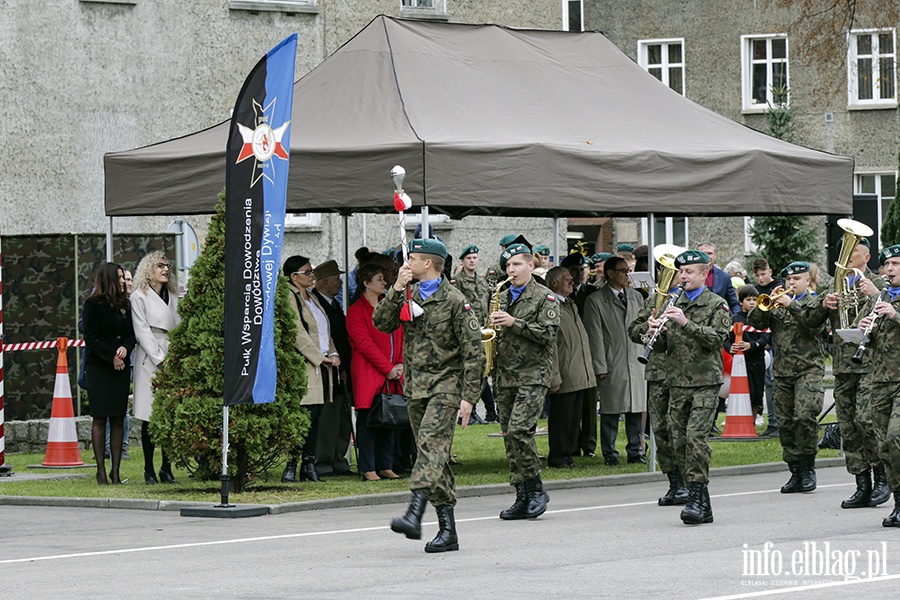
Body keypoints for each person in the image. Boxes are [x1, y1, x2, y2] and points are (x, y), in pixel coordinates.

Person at [374, 238, 485, 553]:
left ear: (430, 263)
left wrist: (469, 397)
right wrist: (396, 288)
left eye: (413, 259)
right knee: (434, 457)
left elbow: (474, 354)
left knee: (430, 448)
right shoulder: (407, 292)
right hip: (416, 387)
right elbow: (381, 323)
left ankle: (415, 512)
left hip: (446, 386)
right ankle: (448, 531)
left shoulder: (454, 301)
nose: (407, 263)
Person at [643, 249, 731, 524]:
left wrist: (686, 322)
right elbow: (666, 347)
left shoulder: (716, 304)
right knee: (678, 441)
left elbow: (717, 339)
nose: (682, 277)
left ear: (704, 274)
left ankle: (696, 497)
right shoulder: (673, 301)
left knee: (695, 438)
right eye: (680, 272)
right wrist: (653, 331)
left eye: (688, 272)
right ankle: (700, 501)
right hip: (676, 382)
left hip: (705, 382)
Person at [490, 242, 559, 520]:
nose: (511, 270)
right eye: (507, 266)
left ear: (531, 266)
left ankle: (536, 488)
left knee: (520, 431)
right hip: (505, 375)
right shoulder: (501, 295)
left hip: (532, 374)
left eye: (516, 265)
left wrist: (513, 322)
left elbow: (548, 335)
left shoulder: (545, 297)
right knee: (510, 437)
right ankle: (522, 494)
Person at [748, 261, 829, 495]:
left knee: (804, 417)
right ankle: (795, 471)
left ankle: (808, 468)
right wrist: (766, 302)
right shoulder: (778, 302)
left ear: (808, 281)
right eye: (789, 280)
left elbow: (813, 325)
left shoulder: (815, 302)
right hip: (782, 371)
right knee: (785, 423)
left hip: (808, 369)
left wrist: (792, 305)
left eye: (797, 279)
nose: (791, 283)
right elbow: (756, 322)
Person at [819, 237, 887, 509]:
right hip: (844, 366)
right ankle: (862, 484)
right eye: (843, 253)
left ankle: (882, 477)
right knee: (848, 426)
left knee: (867, 420)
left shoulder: (881, 285)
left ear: (867, 257)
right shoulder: (834, 285)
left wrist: (873, 294)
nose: (846, 258)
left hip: (871, 364)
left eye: (853, 252)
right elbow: (811, 321)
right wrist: (823, 305)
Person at [628, 271, 688, 506]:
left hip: (685, 374)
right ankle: (674, 483)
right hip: (658, 373)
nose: (677, 275)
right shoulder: (654, 299)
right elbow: (633, 330)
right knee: (661, 430)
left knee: (680, 430)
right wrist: (649, 329)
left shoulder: (696, 300)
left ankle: (689, 482)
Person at [583, 256, 647, 465]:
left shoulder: (636, 297)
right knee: (611, 410)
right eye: (623, 271)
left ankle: (635, 451)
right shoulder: (595, 300)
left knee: (636, 409)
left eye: (628, 270)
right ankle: (610, 453)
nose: (627, 275)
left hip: (636, 361)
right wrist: (600, 365)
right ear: (610, 273)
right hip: (613, 361)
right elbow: (595, 336)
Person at [283, 255, 340, 484]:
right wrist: (320, 358)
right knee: (303, 415)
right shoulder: (289, 296)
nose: (311, 275)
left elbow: (324, 329)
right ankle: (291, 464)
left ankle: (309, 463)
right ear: (293, 276)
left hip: (321, 364)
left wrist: (333, 353)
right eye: (307, 272)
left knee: (315, 415)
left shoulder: (312, 298)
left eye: (311, 271)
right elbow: (297, 333)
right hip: (305, 364)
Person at [855, 244, 900, 527]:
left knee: (896, 439)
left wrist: (895, 315)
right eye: (888, 265)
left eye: (896, 264)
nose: (891, 270)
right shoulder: (882, 297)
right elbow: (876, 342)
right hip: (881, 380)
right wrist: (865, 330)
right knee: (884, 445)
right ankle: (899, 503)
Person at [346, 262, 404, 481]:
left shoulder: (387, 306)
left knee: (391, 419)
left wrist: (399, 364)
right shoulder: (356, 311)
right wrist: (387, 368)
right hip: (369, 372)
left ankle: (386, 464)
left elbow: (400, 335)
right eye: (379, 279)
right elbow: (364, 344)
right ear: (366, 283)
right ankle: (368, 466)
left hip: (393, 371)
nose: (385, 282)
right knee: (369, 420)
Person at [82, 263, 135, 485]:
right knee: (99, 418)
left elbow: (132, 334)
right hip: (99, 368)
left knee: (117, 417)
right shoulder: (93, 304)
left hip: (120, 369)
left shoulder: (125, 305)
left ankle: (115, 471)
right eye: (120, 277)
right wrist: (111, 355)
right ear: (109, 279)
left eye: (124, 277)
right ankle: (101, 471)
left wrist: (125, 348)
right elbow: (91, 338)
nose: (124, 281)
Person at [131, 252, 180, 484]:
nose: (165, 269)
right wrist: (160, 359)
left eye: (167, 265)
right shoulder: (138, 296)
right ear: (149, 269)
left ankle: (167, 467)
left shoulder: (172, 294)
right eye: (160, 265)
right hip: (150, 358)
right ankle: (149, 469)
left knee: (171, 414)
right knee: (149, 416)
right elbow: (141, 331)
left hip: (172, 351)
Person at [546, 267, 596, 468]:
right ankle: (558, 456)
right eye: (566, 280)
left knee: (573, 418)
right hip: (565, 371)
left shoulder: (570, 305)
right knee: (561, 418)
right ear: (554, 283)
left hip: (577, 369)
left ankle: (567, 454)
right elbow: (551, 344)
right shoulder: (551, 305)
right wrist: (554, 375)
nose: (571, 282)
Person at [311, 259, 354, 476]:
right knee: (328, 418)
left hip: (341, 367)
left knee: (341, 416)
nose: (340, 282)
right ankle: (324, 462)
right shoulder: (317, 304)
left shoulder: (333, 303)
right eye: (336, 278)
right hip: (328, 368)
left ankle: (338, 458)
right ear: (325, 282)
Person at [452, 244, 499, 423]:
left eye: (475, 258)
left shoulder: (482, 281)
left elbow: (487, 304)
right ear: (463, 261)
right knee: (470, 372)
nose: (472, 261)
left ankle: (488, 411)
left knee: (482, 372)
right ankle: (470, 413)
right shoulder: (457, 282)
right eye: (469, 258)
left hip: (484, 332)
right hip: (467, 334)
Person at [728, 285, 771, 425]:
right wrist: (731, 347)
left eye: (754, 299)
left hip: (758, 361)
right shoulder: (735, 319)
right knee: (746, 392)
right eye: (748, 299)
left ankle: (751, 423)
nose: (752, 302)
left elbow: (765, 338)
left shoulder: (762, 318)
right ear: (741, 302)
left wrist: (751, 345)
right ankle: (741, 422)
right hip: (741, 363)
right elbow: (725, 339)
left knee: (757, 395)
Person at [752, 258, 784, 437]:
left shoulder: (779, 285)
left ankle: (777, 422)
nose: (761, 278)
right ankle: (773, 422)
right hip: (762, 342)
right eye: (757, 275)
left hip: (776, 341)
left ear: (770, 272)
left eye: (763, 274)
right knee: (768, 382)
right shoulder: (756, 290)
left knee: (774, 381)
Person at [696, 242, 740, 314]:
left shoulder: (724, 277)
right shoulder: (690, 275)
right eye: (703, 253)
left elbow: (734, 304)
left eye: (710, 253)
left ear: (715, 255)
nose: (707, 257)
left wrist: (735, 319)